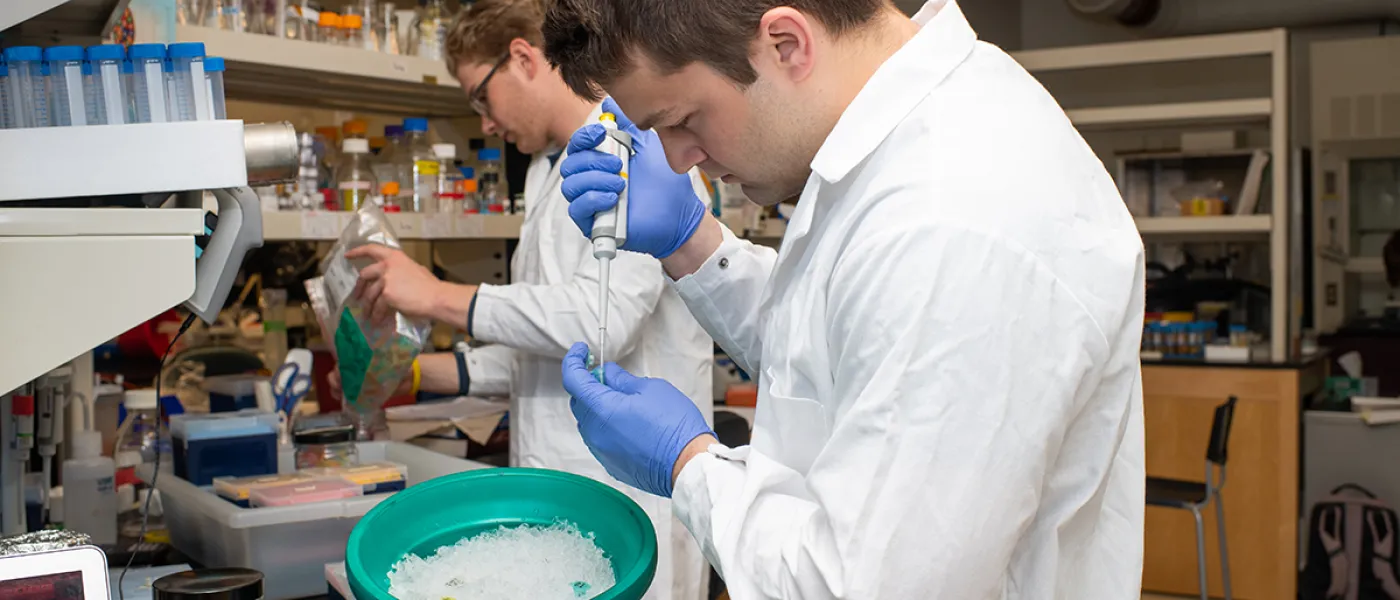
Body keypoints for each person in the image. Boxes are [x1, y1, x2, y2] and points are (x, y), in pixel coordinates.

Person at [543, 0, 1147, 597]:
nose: (677, 159)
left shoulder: (954, 220)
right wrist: (691, 243)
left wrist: (689, 466)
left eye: (681, 119)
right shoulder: (905, 138)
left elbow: (861, 587)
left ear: (786, 44)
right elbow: (842, 357)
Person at [341, 1, 714, 598]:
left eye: (481, 98)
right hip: (558, 505)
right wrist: (412, 372)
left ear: (522, 57)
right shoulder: (549, 171)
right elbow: (546, 349)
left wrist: (438, 296)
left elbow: (602, 325)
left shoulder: (640, 153)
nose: (485, 123)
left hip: (631, 500)